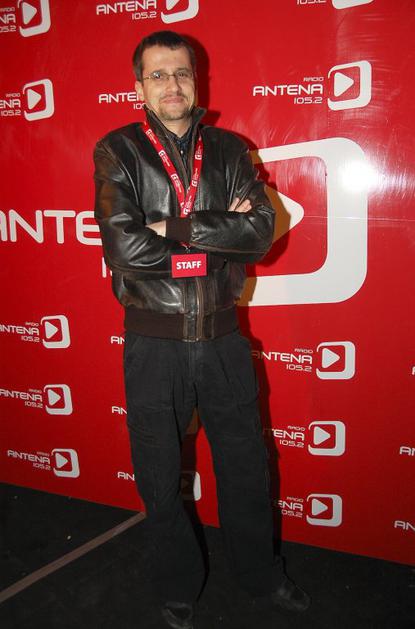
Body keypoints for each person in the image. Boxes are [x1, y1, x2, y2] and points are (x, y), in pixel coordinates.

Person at [94, 30, 310, 629]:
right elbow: (124, 248)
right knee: (160, 477)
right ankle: (176, 586)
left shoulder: (231, 150)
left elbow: (259, 234)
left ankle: (262, 577)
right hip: (153, 342)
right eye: (158, 74)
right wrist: (215, 240)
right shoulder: (118, 150)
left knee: (245, 469)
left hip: (222, 339)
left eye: (182, 73)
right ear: (139, 87)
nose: (172, 84)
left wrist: (173, 227)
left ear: (197, 81)